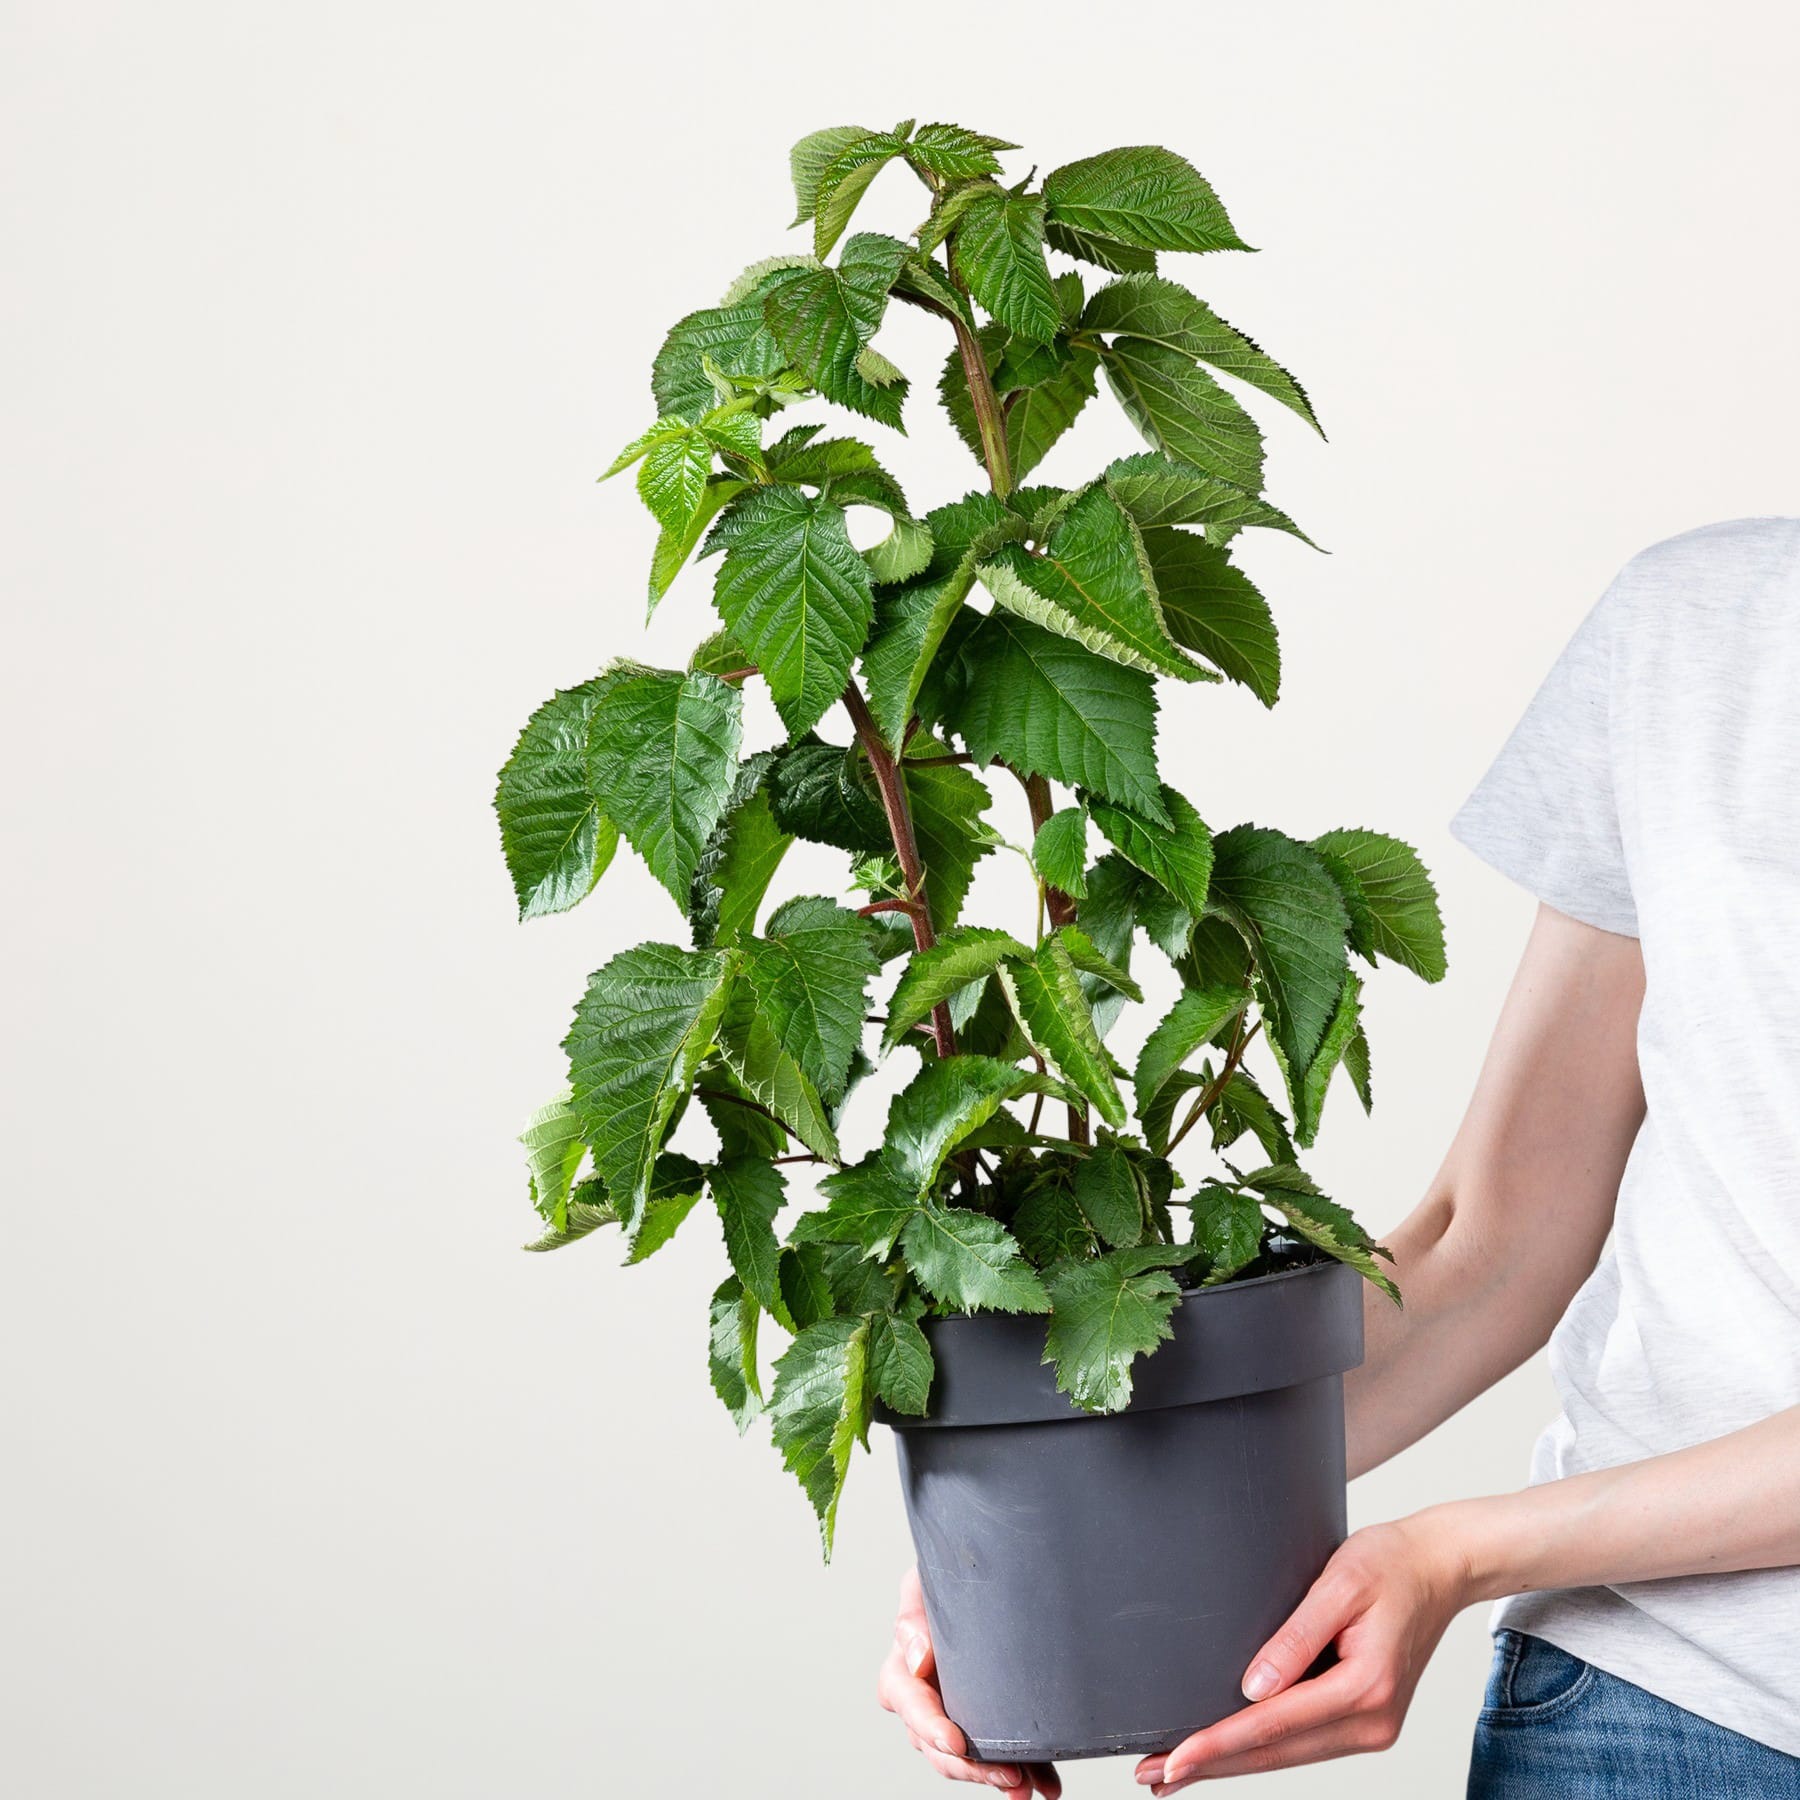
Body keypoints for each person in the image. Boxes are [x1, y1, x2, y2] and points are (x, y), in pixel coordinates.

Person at [876, 518, 1800, 1797]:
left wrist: (1456, 1553)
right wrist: (1040, 1519)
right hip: (1652, 1709)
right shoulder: (1699, 624)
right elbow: (1492, 1244)